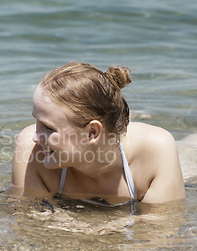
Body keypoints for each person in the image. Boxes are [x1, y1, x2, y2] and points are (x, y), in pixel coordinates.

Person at [10, 62, 186, 204]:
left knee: (194, 167)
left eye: (48, 128)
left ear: (92, 132)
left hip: (135, 150)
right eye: (36, 122)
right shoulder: (30, 147)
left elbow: (162, 229)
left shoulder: (156, 149)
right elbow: (28, 222)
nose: (35, 136)